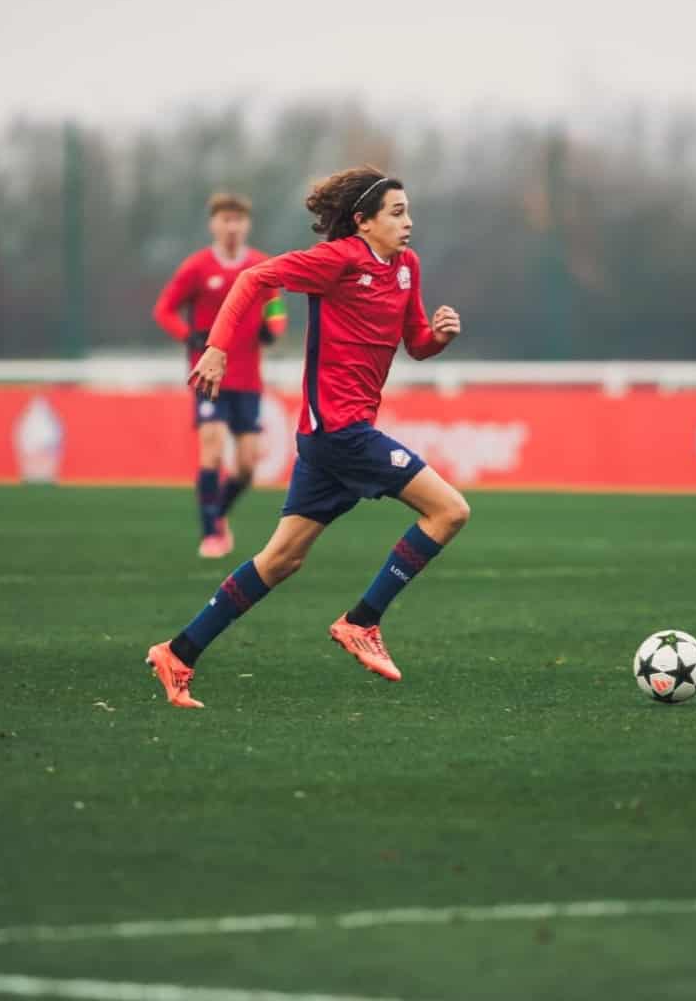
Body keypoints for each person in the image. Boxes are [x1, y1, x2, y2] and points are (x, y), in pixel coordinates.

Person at [145, 166, 465, 708]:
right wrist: (216, 347)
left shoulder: (406, 267)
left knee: (280, 560)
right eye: (397, 212)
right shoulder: (337, 260)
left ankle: (178, 652)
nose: (408, 222)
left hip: (333, 438)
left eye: (408, 211)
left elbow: (414, 341)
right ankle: (362, 621)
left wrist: (438, 336)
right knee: (449, 511)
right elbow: (254, 280)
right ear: (363, 222)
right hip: (340, 432)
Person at [152, 192, 287, 557]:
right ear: (213, 224)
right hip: (209, 376)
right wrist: (189, 336)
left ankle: (218, 511)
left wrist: (273, 327)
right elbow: (164, 310)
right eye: (225, 220)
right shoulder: (197, 268)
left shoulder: (261, 265)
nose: (232, 226)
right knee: (211, 448)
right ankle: (211, 533)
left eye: (238, 220)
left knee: (245, 467)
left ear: (247, 224)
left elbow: (275, 304)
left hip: (247, 378)